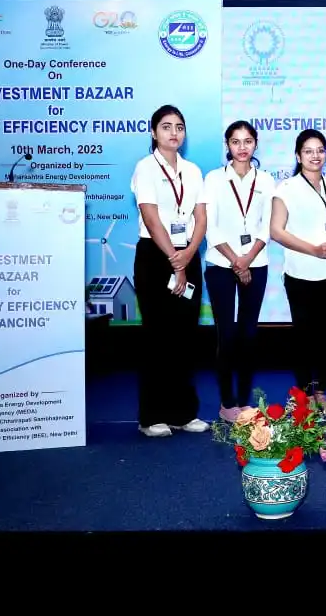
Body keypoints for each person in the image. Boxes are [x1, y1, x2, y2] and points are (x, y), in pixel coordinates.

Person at [130, 104, 209, 438]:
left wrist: (188, 254)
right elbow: (151, 218)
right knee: (158, 337)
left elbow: (200, 217)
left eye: (179, 127)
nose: (174, 133)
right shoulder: (145, 168)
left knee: (185, 337)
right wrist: (175, 259)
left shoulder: (192, 170)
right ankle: (151, 417)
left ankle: (182, 413)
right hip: (155, 256)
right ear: (153, 132)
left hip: (188, 253)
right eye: (166, 126)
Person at [270, 129, 326, 414]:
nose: (315, 155)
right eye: (308, 151)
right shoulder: (286, 188)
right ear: (298, 156)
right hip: (301, 274)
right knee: (304, 337)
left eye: (320, 150)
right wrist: (313, 249)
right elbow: (276, 231)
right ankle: (303, 395)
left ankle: (322, 393)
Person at [202, 120, 274, 423]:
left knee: (248, 334)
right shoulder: (214, 178)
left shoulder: (266, 180)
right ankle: (226, 402)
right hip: (221, 263)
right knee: (227, 334)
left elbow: (267, 225)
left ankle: (244, 401)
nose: (242, 148)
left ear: (255, 143)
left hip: (256, 262)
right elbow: (209, 225)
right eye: (235, 142)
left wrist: (248, 259)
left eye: (248, 141)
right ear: (227, 145)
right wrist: (236, 260)